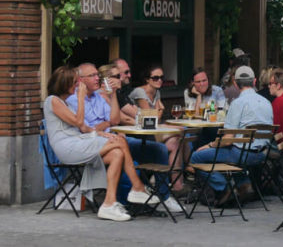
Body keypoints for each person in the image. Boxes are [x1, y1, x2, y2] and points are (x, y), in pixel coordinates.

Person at [44, 66, 157, 222]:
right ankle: (137, 187)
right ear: (64, 84)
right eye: (74, 83)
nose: (77, 86)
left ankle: (109, 204)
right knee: (120, 141)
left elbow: (83, 127)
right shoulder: (52, 100)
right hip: (68, 148)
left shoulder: (65, 103)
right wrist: (81, 97)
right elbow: (78, 121)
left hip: (79, 142)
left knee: (117, 153)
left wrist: (98, 133)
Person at [190, 66, 274, 205]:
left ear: (235, 83)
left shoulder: (238, 103)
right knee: (234, 150)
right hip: (262, 154)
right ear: (254, 81)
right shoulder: (266, 102)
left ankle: (225, 188)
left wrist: (209, 145)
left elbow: (228, 140)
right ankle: (244, 185)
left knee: (196, 156)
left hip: (243, 154)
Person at [130, 65, 183, 180]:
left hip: (151, 128)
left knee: (178, 138)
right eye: (155, 78)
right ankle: (182, 172)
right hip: (139, 132)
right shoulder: (139, 92)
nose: (159, 80)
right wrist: (161, 110)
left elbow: (156, 117)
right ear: (147, 79)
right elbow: (151, 117)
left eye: (161, 77)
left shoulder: (156, 92)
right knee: (179, 132)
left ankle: (177, 182)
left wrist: (159, 111)